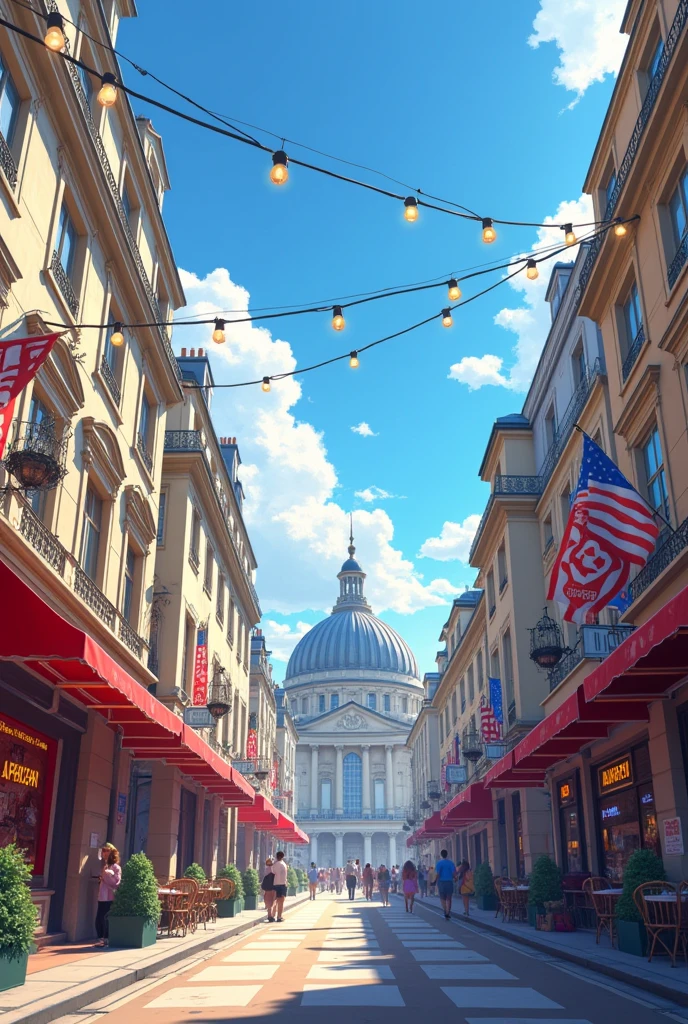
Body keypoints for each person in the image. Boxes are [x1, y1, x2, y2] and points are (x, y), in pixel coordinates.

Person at [95, 843, 121, 946]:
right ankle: (101, 938)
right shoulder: (106, 866)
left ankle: (106, 939)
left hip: (109, 896)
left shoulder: (116, 868)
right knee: (99, 918)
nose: (104, 853)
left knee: (105, 918)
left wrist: (106, 876)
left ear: (111, 853)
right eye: (103, 851)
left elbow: (116, 883)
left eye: (106, 851)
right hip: (102, 896)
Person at [435, 848, 458, 919]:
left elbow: (438, 874)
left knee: (442, 898)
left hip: (441, 882)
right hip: (449, 882)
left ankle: (445, 910)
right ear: (447, 855)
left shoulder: (439, 863)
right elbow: (454, 873)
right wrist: (455, 878)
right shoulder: (451, 863)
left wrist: (435, 881)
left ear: (441, 855)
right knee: (449, 898)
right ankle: (448, 912)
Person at [272, 850, 288, 921]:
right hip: (282, 884)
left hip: (275, 884)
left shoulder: (275, 864)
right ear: (283, 857)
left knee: (275, 901)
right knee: (281, 901)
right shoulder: (283, 864)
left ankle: (272, 915)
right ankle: (279, 916)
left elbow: (273, 872)